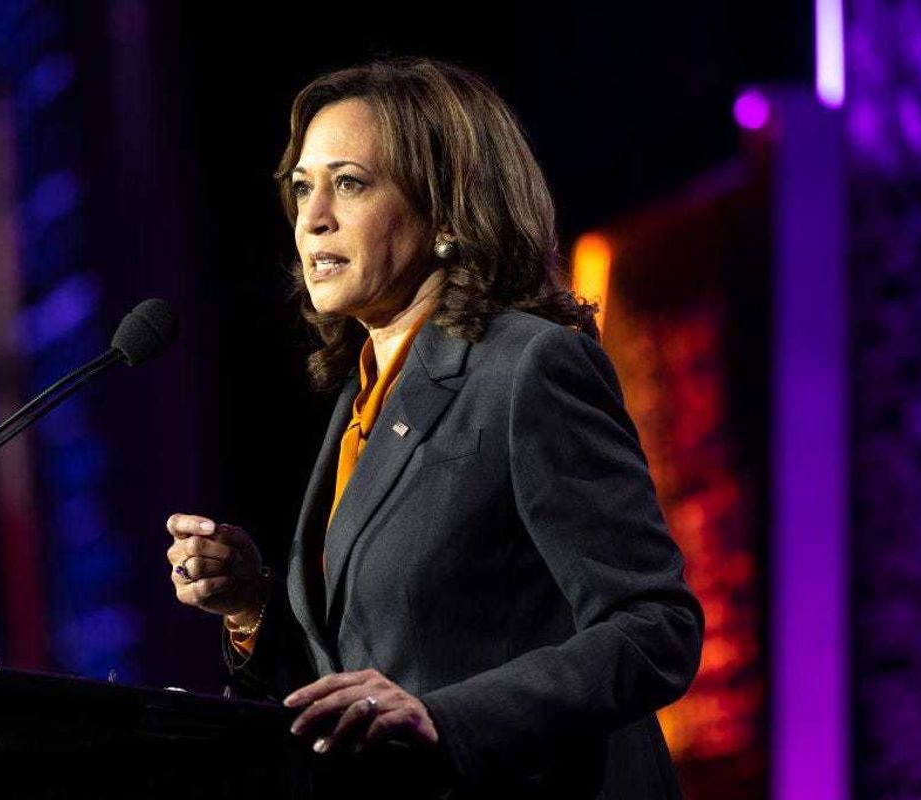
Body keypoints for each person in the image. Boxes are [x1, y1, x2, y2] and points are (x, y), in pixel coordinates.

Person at [165, 57, 704, 798]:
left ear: (447, 213)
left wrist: (447, 721)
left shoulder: (528, 368)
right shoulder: (363, 403)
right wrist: (255, 604)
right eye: (301, 188)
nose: (311, 217)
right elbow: (365, 668)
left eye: (349, 183)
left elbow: (655, 629)